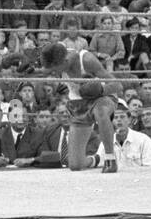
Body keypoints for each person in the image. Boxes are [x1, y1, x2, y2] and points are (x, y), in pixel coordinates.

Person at [39, 41, 123, 172]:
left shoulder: (87, 60)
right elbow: (42, 71)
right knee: (75, 165)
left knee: (100, 111)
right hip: (77, 104)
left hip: (102, 98)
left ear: (64, 61)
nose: (54, 73)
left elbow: (118, 85)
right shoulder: (54, 60)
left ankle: (110, 159)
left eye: (55, 69)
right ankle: (97, 159)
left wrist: (99, 90)